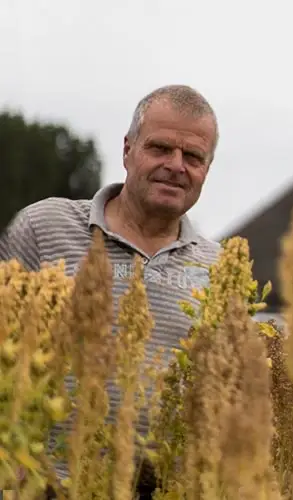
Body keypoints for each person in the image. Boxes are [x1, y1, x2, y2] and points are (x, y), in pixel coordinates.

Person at [0, 85, 222, 499]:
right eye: (160, 148)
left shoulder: (219, 270)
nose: (176, 166)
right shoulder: (44, 227)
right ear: (127, 149)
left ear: (207, 168)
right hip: (42, 485)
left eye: (193, 157)